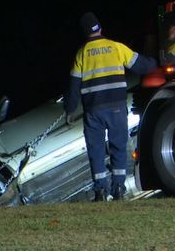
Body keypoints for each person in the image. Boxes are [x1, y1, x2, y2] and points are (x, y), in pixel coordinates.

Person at [64, 12, 157, 201]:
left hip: (93, 111)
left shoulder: (82, 53)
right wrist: (156, 60)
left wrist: (70, 109)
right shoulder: (116, 47)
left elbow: (73, 85)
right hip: (116, 108)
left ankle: (100, 191)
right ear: (100, 28)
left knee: (95, 150)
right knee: (118, 148)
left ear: (84, 33)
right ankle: (119, 189)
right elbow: (142, 66)